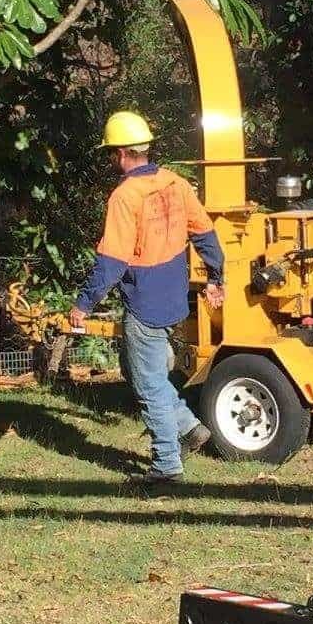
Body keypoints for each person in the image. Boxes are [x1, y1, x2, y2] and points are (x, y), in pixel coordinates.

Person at [69, 110, 226, 484]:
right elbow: (205, 234)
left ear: (122, 153)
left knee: (148, 383)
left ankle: (167, 464)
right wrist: (216, 278)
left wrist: (83, 304)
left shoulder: (125, 196)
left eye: (111, 153)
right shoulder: (175, 183)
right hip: (174, 296)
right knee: (141, 370)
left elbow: (111, 262)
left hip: (145, 302)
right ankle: (190, 428)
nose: (111, 159)